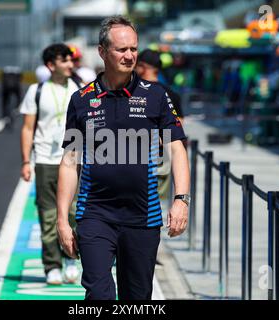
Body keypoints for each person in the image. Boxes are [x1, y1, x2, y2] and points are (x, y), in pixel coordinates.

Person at [56, 16, 190, 300]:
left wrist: (181, 200)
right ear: (102, 51)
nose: (129, 56)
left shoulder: (156, 96)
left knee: (137, 298)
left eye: (133, 49)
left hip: (143, 216)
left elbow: (177, 148)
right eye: (121, 49)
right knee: (98, 294)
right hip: (95, 215)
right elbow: (70, 161)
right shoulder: (81, 99)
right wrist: (62, 220)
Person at [20, 44, 81, 285]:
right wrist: (26, 161)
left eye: (71, 60)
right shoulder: (37, 91)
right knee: (48, 216)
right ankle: (51, 265)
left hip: (74, 160)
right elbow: (27, 128)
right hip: (45, 160)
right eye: (64, 60)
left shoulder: (79, 89)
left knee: (75, 213)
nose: (70, 64)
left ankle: (70, 260)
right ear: (51, 65)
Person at [135, 48, 184, 200]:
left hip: (136, 158)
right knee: (157, 205)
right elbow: (179, 125)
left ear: (142, 67)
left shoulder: (134, 91)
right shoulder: (171, 93)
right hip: (161, 159)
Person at [1, 65, 22, 130]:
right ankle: (17, 108)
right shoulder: (18, 69)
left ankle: (5, 116)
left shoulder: (5, 69)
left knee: (4, 101)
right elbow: (20, 79)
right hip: (16, 86)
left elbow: (2, 79)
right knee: (18, 97)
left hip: (6, 87)